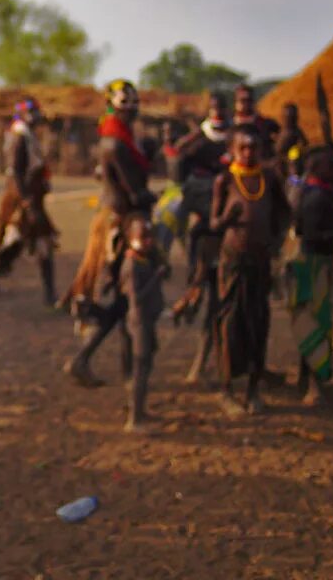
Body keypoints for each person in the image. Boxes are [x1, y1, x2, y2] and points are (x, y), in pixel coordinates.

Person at [62, 80, 155, 388]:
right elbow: (134, 192)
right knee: (123, 296)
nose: (131, 107)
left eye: (134, 101)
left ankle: (122, 367)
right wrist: (155, 198)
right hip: (121, 223)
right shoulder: (115, 143)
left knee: (126, 296)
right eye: (124, 102)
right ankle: (84, 358)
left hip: (119, 218)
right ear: (113, 105)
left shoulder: (120, 138)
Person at [211, 124, 292, 415]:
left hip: (260, 262)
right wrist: (226, 219)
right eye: (242, 148)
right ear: (232, 150)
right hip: (233, 262)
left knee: (259, 323)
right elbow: (213, 224)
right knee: (230, 324)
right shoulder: (225, 180)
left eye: (253, 147)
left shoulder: (269, 178)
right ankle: (226, 390)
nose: (248, 153)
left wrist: (277, 240)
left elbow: (284, 213)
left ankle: (253, 391)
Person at [0, 98, 57, 308]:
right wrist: (26, 202)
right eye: (33, 113)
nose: (36, 117)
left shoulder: (27, 136)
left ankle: (50, 297)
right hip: (21, 203)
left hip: (30, 201)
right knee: (11, 249)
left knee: (41, 247)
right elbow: (16, 173)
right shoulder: (19, 138)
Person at [169, 93, 230, 388]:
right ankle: (202, 363)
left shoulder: (237, 146)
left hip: (227, 238)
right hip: (204, 238)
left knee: (221, 304)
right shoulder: (194, 148)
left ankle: (211, 363)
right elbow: (177, 180)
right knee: (203, 292)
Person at [287, 147, 333, 406]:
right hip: (315, 264)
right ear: (316, 167)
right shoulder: (318, 197)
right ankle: (313, 385)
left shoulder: (310, 191)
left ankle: (306, 380)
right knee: (317, 324)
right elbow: (312, 235)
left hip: (308, 263)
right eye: (330, 164)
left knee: (308, 323)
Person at [118, 216, 170, 433]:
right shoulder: (132, 266)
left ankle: (139, 410)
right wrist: (156, 278)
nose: (148, 242)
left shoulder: (145, 259)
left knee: (147, 364)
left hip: (147, 319)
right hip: (139, 321)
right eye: (143, 238)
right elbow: (136, 298)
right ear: (131, 239)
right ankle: (135, 419)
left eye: (150, 237)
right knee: (140, 368)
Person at [231, 83, 280, 162]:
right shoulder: (228, 125)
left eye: (249, 100)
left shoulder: (267, 124)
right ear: (235, 102)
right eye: (242, 100)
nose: (246, 103)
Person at [274, 103, 308, 180]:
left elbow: (304, 144)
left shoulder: (296, 130)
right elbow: (278, 148)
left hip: (292, 157)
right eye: (287, 117)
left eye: (292, 117)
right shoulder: (283, 131)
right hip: (280, 160)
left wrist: (298, 149)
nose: (289, 119)